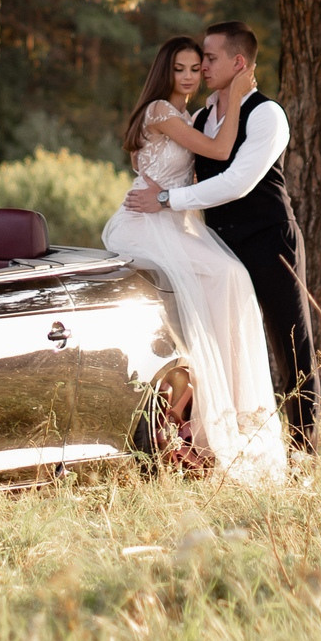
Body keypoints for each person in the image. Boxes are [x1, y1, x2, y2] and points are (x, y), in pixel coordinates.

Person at [120, 22, 320, 453]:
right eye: (194, 62)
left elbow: (237, 181)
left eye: (209, 59)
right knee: (212, 339)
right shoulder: (202, 115)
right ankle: (218, 434)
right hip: (212, 241)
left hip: (267, 241)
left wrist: (168, 198)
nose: (202, 67)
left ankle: (306, 449)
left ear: (239, 63)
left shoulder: (267, 114)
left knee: (291, 344)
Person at [99, 37, 287, 482]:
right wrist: (237, 98)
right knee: (229, 277)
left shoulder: (188, 114)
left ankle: (210, 412)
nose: (187, 75)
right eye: (179, 68)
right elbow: (220, 152)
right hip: (151, 225)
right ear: (164, 72)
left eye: (193, 67)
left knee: (204, 309)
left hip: (174, 225)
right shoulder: (162, 112)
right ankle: (223, 412)